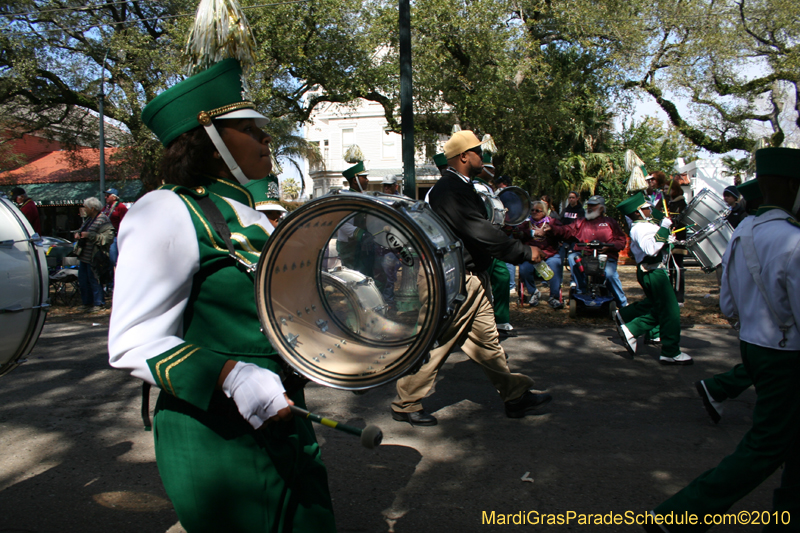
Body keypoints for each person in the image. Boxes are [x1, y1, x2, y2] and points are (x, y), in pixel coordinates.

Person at [107, 59, 336, 532]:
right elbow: (131, 340)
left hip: (284, 414)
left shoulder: (249, 214)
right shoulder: (165, 210)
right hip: (217, 435)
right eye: (250, 130)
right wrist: (230, 375)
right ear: (210, 141)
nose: (265, 138)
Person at [644, 147, 800, 533]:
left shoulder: (744, 231)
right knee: (767, 446)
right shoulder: (793, 240)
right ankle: (681, 514)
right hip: (787, 353)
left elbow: (727, 301)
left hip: (754, 344)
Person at [391, 130, 552, 426]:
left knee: (487, 341)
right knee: (441, 341)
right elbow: (479, 232)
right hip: (454, 279)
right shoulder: (449, 190)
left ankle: (514, 396)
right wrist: (522, 252)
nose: (483, 156)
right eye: (478, 151)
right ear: (464, 156)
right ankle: (406, 401)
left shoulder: (462, 187)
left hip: (469, 277)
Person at [613, 192, 691, 365]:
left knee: (659, 307)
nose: (650, 210)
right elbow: (650, 248)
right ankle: (670, 351)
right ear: (636, 213)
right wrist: (663, 227)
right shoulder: (639, 228)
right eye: (646, 208)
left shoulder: (643, 225)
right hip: (653, 272)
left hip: (653, 271)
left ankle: (629, 324)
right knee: (670, 311)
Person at [549, 195, 628, 308]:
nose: (589, 208)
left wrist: (610, 247)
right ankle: (581, 290)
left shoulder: (610, 222)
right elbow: (566, 230)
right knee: (572, 257)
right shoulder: (580, 222)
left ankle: (623, 304)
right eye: (589, 205)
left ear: (601, 208)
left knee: (610, 274)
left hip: (605, 257)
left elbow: (621, 240)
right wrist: (552, 228)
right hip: (585, 256)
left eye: (593, 206)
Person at [519, 200, 564, 309]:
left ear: (544, 212)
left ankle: (554, 296)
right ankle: (533, 292)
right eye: (532, 210)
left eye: (537, 210)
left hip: (549, 254)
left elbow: (562, 231)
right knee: (524, 268)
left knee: (556, 264)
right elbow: (518, 232)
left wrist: (552, 230)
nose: (534, 212)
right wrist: (531, 233)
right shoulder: (526, 223)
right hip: (532, 255)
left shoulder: (552, 222)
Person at [74, 197, 114, 311]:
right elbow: (82, 231)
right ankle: (87, 303)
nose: (84, 209)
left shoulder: (103, 220)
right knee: (83, 281)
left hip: (95, 257)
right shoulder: (89, 220)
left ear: (92, 208)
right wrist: (78, 233)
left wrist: (90, 235)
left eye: (86, 207)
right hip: (84, 257)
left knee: (95, 280)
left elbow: (108, 238)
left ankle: (98, 303)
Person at [336, 161, 375, 277]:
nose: (367, 180)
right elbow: (342, 223)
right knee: (352, 277)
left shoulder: (364, 196)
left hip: (363, 245)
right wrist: (361, 234)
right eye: (364, 177)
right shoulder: (346, 199)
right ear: (355, 180)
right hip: (350, 247)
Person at [665, 181, 687, 305]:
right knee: (667, 269)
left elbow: (680, 221)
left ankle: (679, 296)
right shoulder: (667, 203)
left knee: (678, 269)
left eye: (669, 189)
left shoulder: (681, 204)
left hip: (678, 240)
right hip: (667, 240)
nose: (666, 191)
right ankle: (668, 294)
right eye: (664, 189)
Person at [101, 187, 128, 269]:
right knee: (105, 259)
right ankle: (109, 279)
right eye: (105, 195)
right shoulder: (105, 208)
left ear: (114, 197)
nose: (105, 197)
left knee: (113, 259)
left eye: (108, 195)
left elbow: (126, 222)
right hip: (104, 236)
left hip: (115, 237)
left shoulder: (120, 207)